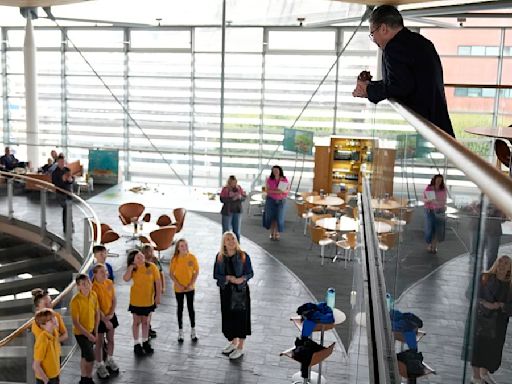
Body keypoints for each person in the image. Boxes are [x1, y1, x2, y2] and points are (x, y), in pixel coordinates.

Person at [352, 5, 455, 138]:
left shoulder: (393, 47)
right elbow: (403, 80)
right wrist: (370, 86)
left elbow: (401, 87)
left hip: (426, 123)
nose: (374, 40)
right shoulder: (419, 41)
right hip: (437, 118)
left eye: (372, 34)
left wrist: (369, 90)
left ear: (383, 29)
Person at [470, 255, 512, 384]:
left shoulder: (510, 284)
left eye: (506, 263)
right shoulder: (485, 277)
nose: (502, 265)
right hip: (481, 319)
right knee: (479, 347)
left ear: (510, 267)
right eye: (500, 261)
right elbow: (470, 294)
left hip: (499, 323)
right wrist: (483, 302)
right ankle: (476, 377)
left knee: (493, 349)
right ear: (496, 263)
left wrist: (499, 305)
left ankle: (484, 373)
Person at [213, 231, 254, 360]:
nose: (231, 241)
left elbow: (250, 273)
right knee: (229, 318)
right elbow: (216, 275)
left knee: (241, 319)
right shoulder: (220, 257)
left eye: (233, 239)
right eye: (228, 239)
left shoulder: (243, 256)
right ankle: (233, 342)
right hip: (226, 293)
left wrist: (242, 279)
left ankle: (240, 347)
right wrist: (227, 278)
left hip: (240, 293)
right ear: (224, 243)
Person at [123, 249, 161, 356]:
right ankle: (136, 344)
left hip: (148, 300)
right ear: (133, 260)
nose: (141, 259)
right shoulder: (133, 270)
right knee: (136, 322)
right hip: (136, 301)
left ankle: (145, 341)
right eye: (138, 258)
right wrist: (130, 268)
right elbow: (125, 278)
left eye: (141, 256)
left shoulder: (152, 267)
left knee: (146, 322)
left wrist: (158, 296)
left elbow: (157, 282)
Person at [91, 264, 119, 379]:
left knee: (111, 339)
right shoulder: (93, 288)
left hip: (110, 314)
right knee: (99, 342)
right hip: (99, 318)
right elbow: (96, 307)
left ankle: (110, 359)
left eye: (105, 271)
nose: (104, 274)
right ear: (95, 274)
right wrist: (104, 319)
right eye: (101, 272)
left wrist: (111, 314)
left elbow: (114, 299)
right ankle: (99, 364)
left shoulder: (109, 283)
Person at [70, 274, 100, 384]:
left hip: (92, 330)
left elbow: (97, 314)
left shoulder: (94, 295)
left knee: (84, 354)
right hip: (81, 333)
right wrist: (89, 335)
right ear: (78, 287)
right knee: (91, 357)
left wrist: (95, 332)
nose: (87, 285)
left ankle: (83, 378)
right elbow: (76, 323)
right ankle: (88, 377)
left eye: (88, 282)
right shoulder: (75, 301)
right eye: (83, 284)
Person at [169, 239, 199, 343]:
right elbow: (171, 274)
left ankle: (193, 329)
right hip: (179, 289)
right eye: (181, 246)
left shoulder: (192, 257)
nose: (184, 247)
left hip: (190, 288)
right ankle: (180, 331)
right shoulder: (175, 259)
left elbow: (196, 271)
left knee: (191, 308)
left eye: (185, 245)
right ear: (178, 248)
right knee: (180, 308)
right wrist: (178, 285)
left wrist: (191, 283)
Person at [141, 244, 165, 339]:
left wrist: (162, 287)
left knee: (150, 310)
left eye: (150, 251)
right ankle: (146, 327)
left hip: (153, 289)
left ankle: (148, 327)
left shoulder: (155, 261)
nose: (149, 254)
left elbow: (161, 273)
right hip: (144, 290)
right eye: (146, 252)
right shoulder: (140, 262)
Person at [32, 309, 61, 384]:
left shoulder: (55, 333)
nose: (54, 320)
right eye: (50, 320)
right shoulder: (43, 339)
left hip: (55, 376)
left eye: (54, 317)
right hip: (45, 379)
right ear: (42, 325)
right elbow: (36, 366)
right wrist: (46, 381)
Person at [263, 165, 289, 240]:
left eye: (277, 170)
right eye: (274, 171)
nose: (275, 172)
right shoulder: (269, 179)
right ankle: (272, 232)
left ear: (280, 171)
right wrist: (278, 191)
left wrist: (273, 191)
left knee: (279, 217)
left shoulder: (284, 179)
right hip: (270, 200)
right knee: (271, 217)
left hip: (281, 201)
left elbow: (286, 190)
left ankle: (277, 233)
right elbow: (266, 190)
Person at [423, 174, 447, 254]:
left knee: (438, 230)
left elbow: (444, 200)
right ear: (434, 180)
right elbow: (425, 200)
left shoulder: (443, 189)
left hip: (440, 210)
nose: (439, 181)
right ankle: (429, 244)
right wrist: (431, 200)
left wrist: (443, 205)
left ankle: (434, 246)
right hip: (430, 211)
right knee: (430, 229)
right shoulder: (429, 188)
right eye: (437, 180)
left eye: (440, 180)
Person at [51, 155, 75, 234]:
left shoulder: (67, 170)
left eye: (63, 162)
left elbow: (71, 180)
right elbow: (56, 184)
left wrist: (70, 179)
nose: (62, 163)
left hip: (68, 193)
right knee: (66, 209)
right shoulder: (55, 173)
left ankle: (70, 227)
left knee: (68, 210)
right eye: (60, 162)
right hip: (61, 194)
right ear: (57, 162)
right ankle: (67, 228)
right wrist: (63, 180)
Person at [220, 175, 246, 242]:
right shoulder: (225, 189)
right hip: (227, 212)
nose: (233, 184)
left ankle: (237, 246)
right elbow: (222, 199)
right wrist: (231, 198)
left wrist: (240, 197)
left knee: (236, 231)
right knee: (226, 231)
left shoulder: (239, 188)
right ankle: (225, 246)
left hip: (237, 211)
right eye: (231, 182)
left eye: (234, 182)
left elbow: (244, 197)